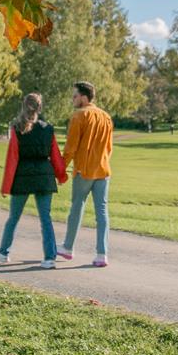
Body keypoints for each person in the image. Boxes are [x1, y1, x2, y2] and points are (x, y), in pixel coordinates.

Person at [0, 93, 67, 269]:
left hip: (22, 178)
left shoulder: (16, 129)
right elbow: (56, 156)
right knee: (46, 219)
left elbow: (12, 159)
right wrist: (62, 176)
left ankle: (3, 252)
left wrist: (6, 186)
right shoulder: (48, 129)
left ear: (23, 106)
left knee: (14, 217)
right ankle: (50, 258)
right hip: (44, 177)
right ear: (39, 108)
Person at [57, 81, 114, 267]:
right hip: (103, 170)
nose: (72, 99)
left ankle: (67, 247)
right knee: (102, 212)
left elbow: (70, 148)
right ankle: (102, 254)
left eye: (74, 96)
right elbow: (109, 148)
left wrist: (60, 169)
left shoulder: (79, 116)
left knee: (76, 207)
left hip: (84, 171)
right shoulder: (106, 117)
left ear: (84, 97)